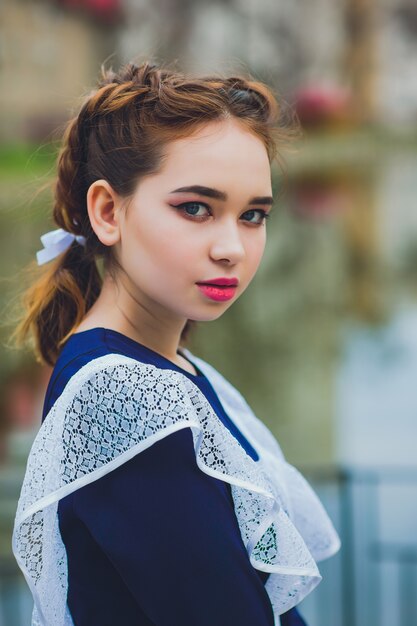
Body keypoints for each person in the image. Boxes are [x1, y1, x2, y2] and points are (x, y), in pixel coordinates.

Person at [11, 59, 341, 626]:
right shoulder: (121, 397)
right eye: (195, 208)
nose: (231, 248)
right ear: (109, 211)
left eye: (254, 215)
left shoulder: (166, 366)